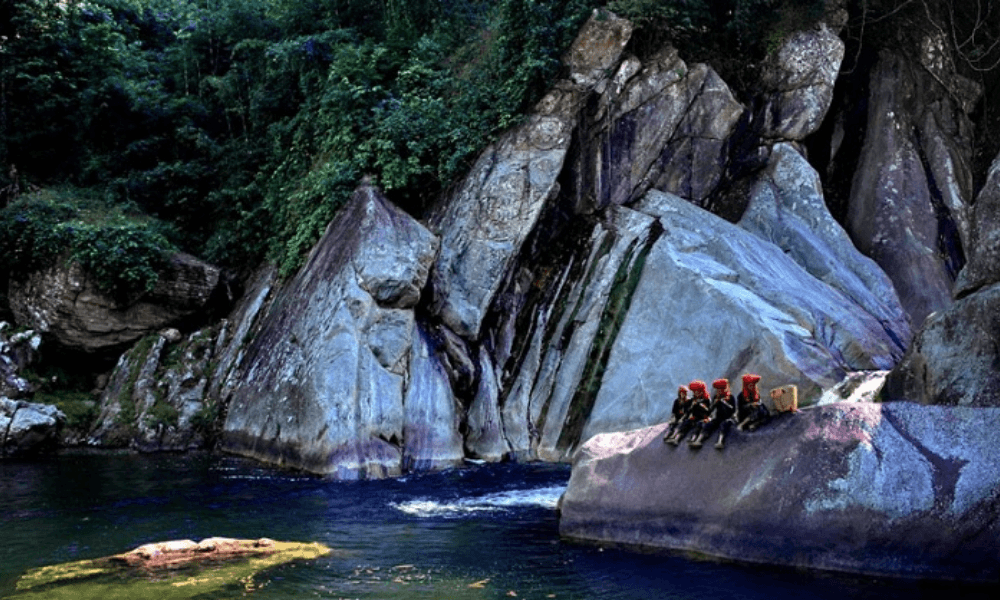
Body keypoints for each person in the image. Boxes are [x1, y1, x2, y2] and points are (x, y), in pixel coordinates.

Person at [690, 378, 737, 449]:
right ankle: (699, 440)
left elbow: (732, 410)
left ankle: (720, 441)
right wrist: (715, 403)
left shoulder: (730, 397)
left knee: (724, 425)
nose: (719, 391)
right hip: (718, 418)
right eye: (718, 390)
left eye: (720, 389)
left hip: (727, 418)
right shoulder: (716, 397)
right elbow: (710, 410)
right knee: (708, 425)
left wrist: (724, 402)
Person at [666, 380, 711, 446]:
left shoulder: (706, 399)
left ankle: (693, 439)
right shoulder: (693, 399)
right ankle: (676, 438)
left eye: (696, 392)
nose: (694, 393)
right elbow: (688, 410)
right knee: (685, 423)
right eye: (694, 392)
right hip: (694, 418)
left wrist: (700, 406)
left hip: (702, 418)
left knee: (698, 425)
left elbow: (709, 411)